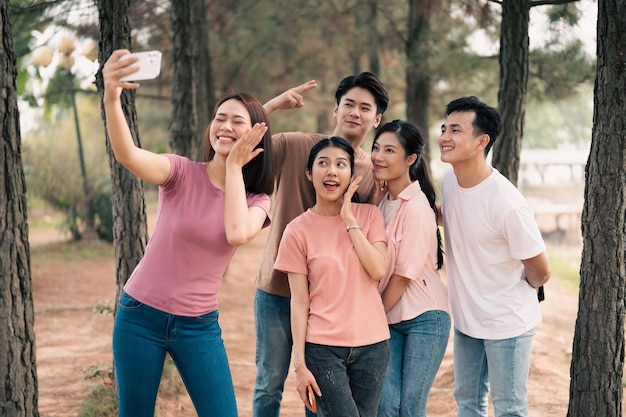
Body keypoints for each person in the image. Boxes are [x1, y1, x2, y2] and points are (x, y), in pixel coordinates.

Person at [102, 49, 274, 417]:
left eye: (237, 122)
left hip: (198, 325)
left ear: (255, 136)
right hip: (140, 316)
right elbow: (129, 155)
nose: (225, 127)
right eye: (219, 118)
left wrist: (233, 169)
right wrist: (111, 97)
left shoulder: (259, 200)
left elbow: (236, 232)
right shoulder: (180, 172)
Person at [253, 73, 390, 417]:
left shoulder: (372, 172)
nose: (355, 113)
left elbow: (370, 233)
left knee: (317, 391)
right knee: (270, 382)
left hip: (333, 302)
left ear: (376, 119)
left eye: (365, 108)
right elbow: (245, 143)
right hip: (280, 290)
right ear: (335, 109)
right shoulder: (299, 145)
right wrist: (270, 106)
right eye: (348, 104)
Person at [438, 96, 551, 417]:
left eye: (456, 130)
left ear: (481, 141)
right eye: (444, 128)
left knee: (509, 409)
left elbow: (541, 271)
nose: (444, 137)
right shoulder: (450, 181)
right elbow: (454, 217)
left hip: (508, 325)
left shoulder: (507, 203)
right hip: (466, 322)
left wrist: (510, 288)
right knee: (468, 403)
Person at [274, 136, 390, 417]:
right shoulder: (296, 230)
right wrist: (300, 364)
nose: (332, 171)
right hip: (322, 348)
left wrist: (350, 220)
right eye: (323, 163)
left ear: (351, 175)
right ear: (309, 173)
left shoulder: (370, 216)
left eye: (341, 164)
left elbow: (377, 269)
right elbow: (299, 301)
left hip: (373, 346)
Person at [371, 120, 451, 417]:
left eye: (389, 150)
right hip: (388, 318)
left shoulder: (417, 207)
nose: (379, 156)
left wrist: (371, 317)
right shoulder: (379, 203)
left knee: (410, 408)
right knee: (385, 404)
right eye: (376, 147)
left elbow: (403, 276)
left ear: (410, 159)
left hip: (424, 319)